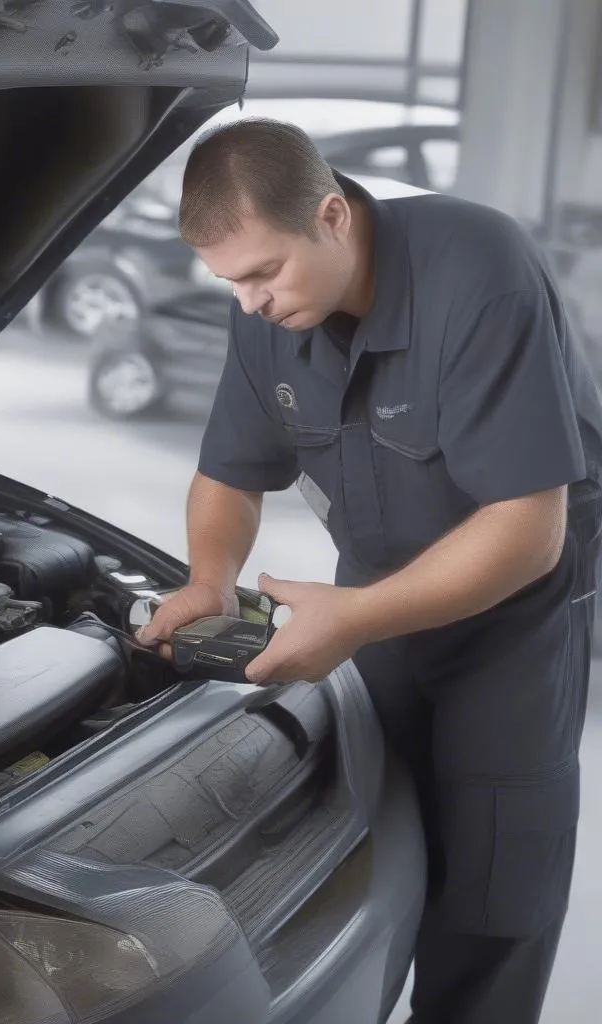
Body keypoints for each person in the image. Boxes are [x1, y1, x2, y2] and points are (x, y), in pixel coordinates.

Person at [135, 118, 602, 1024]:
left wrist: (351, 620)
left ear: (335, 215)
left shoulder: (480, 273)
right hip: (376, 602)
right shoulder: (269, 312)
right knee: (380, 851)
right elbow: (228, 473)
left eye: (263, 273)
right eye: (230, 282)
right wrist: (207, 577)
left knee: (492, 890)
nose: (250, 303)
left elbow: (526, 531)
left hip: (516, 616)